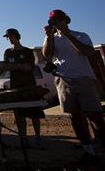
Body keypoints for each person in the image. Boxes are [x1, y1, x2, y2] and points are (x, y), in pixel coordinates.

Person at [42, 9, 105, 166]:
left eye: (59, 19)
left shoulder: (80, 35)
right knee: (75, 116)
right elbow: (46, 55)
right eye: (54, 21)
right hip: (64, 80)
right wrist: (50, 37)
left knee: (95, 115)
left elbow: (88, 52)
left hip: (84, 78)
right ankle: (88, 151)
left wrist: (67, 34)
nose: (57, 23)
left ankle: (102, 147)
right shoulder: (52, 38)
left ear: (66, 20)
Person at [1, 28, 45, 150]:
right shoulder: (8, 52)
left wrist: (14, 66)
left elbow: (28, 68)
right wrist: (19, 66)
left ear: (17, 36)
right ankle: (23, 139)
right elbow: (6, 67)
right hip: (16, 87)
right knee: (19, 115)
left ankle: (38, 139)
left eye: (11, 36)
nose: (10, 39)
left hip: (30, 86)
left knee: (34, 114)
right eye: (8, 37)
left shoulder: (27, 52)